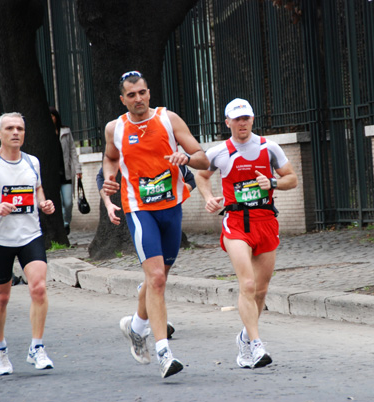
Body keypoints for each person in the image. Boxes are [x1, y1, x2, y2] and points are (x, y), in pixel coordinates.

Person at [103, 70, 209, 378]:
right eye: (131, 95)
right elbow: (110, 158)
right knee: (158, 279)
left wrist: (186, 159)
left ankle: (136, 328)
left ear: (149, 93)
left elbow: (203, 158)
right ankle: (164, 352)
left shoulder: (168, 120)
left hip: (171, 208)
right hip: (138, 209)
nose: (138, 99)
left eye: (142, 92)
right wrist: (110, 179)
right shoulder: (116, 129)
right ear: (123, 99)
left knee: (157, 280)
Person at [196, 98, 298, 369]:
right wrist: (208, 197)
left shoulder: (269, 148)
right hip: (236, 223)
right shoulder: (220, 152)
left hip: (265, 220)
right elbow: (201, 175)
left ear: (253, 120)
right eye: (236, 119)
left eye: (246, 118)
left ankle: (244, 338)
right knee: (248, 285)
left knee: (262, 290)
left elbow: (292, 178)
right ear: (227, 122)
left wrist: (273, 182)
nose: (242, 123)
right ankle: (257, 345)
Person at [0, 112, 56, 376]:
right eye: (10, 128)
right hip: (1, 241)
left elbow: (36, 189)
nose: (16, 132)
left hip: (31, 236)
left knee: (38, 288)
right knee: (1, 297)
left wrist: (44, 203)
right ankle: (0, 350)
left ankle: (36, 347)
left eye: (20, 128)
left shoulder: (32, 162)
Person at [96, 165, 196, 339]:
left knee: (160, 276)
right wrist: (108, 203)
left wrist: (177, 194)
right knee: (156, 277)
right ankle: (156, 327)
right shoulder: (127, 148)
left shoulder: (167, 153)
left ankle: (140, 317)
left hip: (167, 216)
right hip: (142, 216)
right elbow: (102, 176)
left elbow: (191, 179)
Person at [50, 107, 82, 235]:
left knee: (68, 202)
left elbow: (73, 151)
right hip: (52, 175)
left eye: (53, 116)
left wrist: (78, 169)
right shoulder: (45, 133)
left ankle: (66, 222)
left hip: (66, 173)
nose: (51, 118)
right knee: (56, 202)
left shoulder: (65, 131)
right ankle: (61, 226)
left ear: (56, 117)